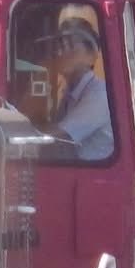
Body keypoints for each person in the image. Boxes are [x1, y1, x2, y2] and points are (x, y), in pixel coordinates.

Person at [46, 18, 115, 162]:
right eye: (59, 45)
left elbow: (60, 136)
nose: (60, 52)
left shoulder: (99, 95)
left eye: (70, 45)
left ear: (91, 56)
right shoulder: (69, 93)